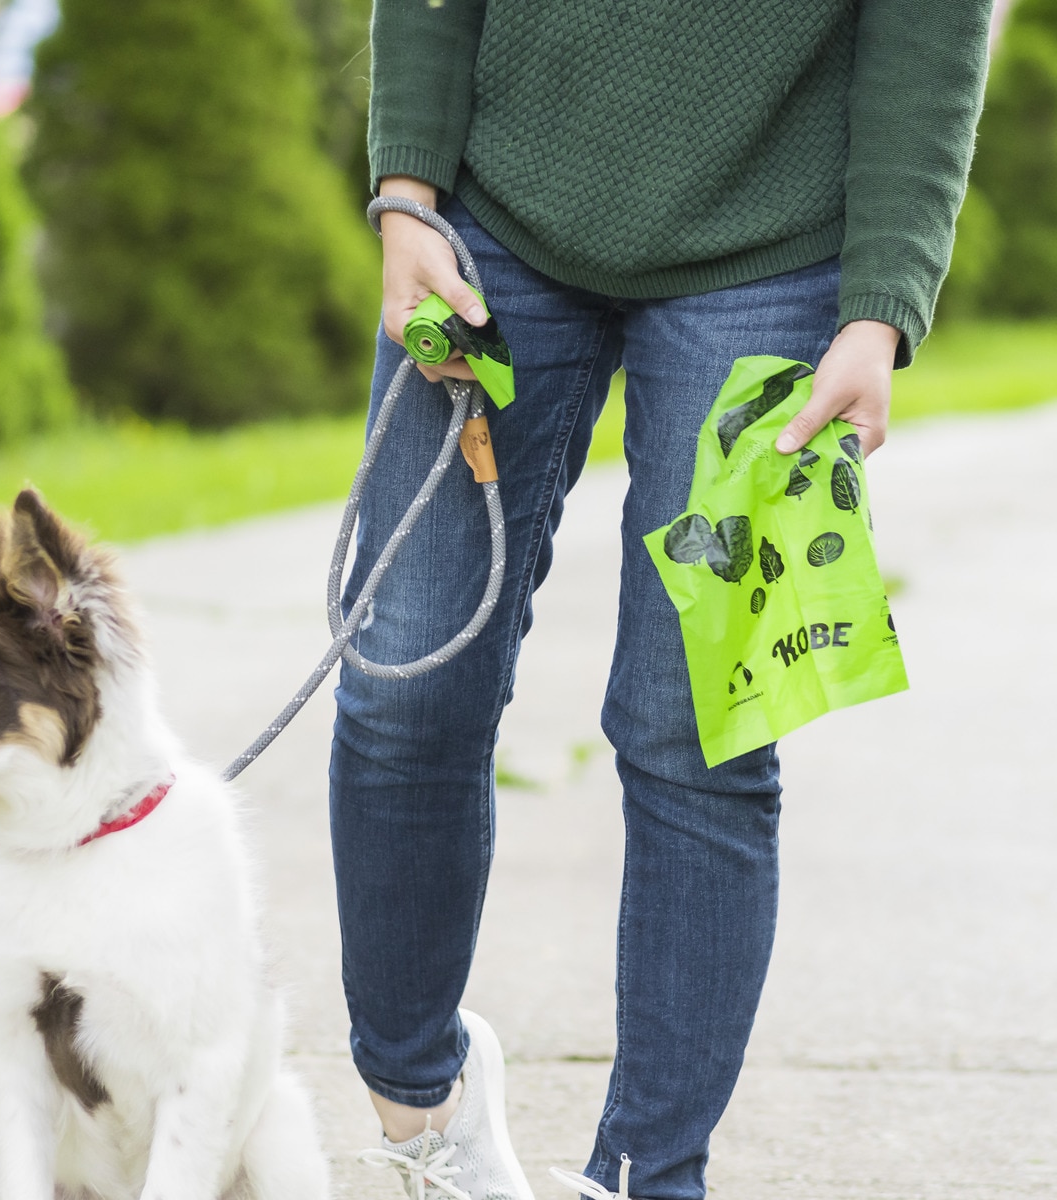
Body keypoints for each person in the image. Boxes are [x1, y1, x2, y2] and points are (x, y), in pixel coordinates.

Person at [329, 3, 993, 1199]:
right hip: (491, 218)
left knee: (697, 735)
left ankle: (647, 1175)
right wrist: (407, 192)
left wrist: (883, 299)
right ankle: (420, 1111)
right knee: (407, 677)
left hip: (774, 258)